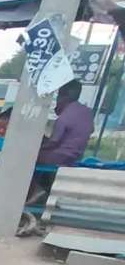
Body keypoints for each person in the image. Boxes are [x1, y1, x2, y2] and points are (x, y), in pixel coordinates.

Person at [26, 79, 94, 207]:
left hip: (58, 156)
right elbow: (91, 130)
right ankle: (45, 191)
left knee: (27, 158)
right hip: (75, 156)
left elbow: (54, 141)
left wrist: (38, 148)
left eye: (58, 97)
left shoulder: (65, 116)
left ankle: (36, 190)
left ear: (64, 97)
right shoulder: (87, 112)